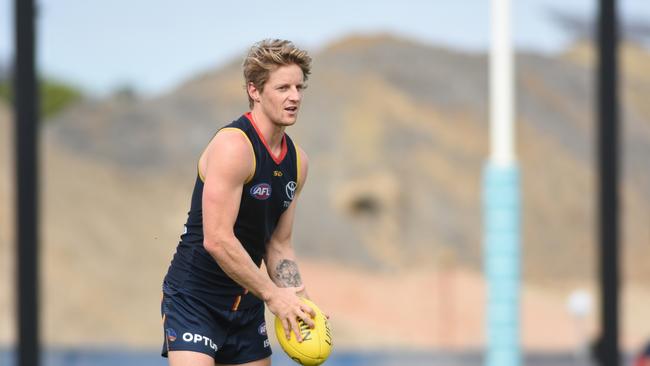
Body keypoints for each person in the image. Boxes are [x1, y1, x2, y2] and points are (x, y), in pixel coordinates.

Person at [160, 39, 317, 366]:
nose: (295, 97)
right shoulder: (234, 146)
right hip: (195, 301)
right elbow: (217, 239)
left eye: (299, 87)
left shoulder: (297, 162)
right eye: (283, 87)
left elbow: (279, 245)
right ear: (255, 91)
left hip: (246, 307)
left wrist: (300, 303)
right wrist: (275, 296)